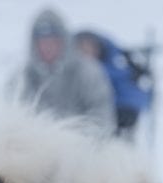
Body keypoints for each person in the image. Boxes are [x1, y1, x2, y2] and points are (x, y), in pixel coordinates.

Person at [16, 8, 116, 137]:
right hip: (36, 149)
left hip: (83, 147)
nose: (47, 47)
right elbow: (17, 118)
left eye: (53, 41)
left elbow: (102, 117)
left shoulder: (89, 72)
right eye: (42, 42)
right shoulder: (21, 77)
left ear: (64, 41)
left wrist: (77, 142)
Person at [73, 29, 155, 139]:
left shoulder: (117, 67)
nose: (86, 51)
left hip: (117, 125)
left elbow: (135, 94)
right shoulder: (69, 73)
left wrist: (123, 110)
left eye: (89, 46)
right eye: (81, 47)